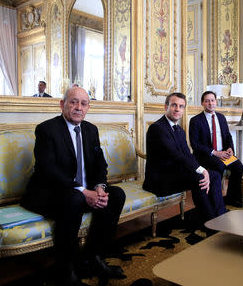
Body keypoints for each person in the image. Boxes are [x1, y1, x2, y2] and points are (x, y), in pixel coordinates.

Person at [21, 86, 126, 286]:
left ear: (88, 108)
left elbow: (99, 164)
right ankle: (65, 268)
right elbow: (47, 169)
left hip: (81, 193)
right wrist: (83, 191)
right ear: (63, 105)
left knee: (116, 195)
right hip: (49, 193)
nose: (79, 107)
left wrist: (99, 188)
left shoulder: (90, 129)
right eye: (73, 102)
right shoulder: (46, 129)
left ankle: (92, 257)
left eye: (83, 103)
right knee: (75, 198)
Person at [143, 92, 226, 225]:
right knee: (199, 178)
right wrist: (201, 171)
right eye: (174, 105)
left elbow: (187, 155)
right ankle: (210, 224)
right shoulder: (157, 128)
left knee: (214, 175)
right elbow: (175, 155)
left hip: (176, 174)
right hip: (160, 180)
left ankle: (220, 217)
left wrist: (203, 170)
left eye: (181, 106)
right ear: (166, 107)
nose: (177, 109)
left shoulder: (180, 130)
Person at [189, 91, 243, 208]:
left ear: (216, 102)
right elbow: (195, 144)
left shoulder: (221, 117)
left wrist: (230, 148)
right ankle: (216, 200)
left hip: (223, 154)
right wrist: (215, 153)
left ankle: (232, 198)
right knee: (219, 166)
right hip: (206, 156)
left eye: (212, 100)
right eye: (207, 101)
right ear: (202, 103)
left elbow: (228, 136)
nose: (210, 103)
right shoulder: (195, 121)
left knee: (239, 167)